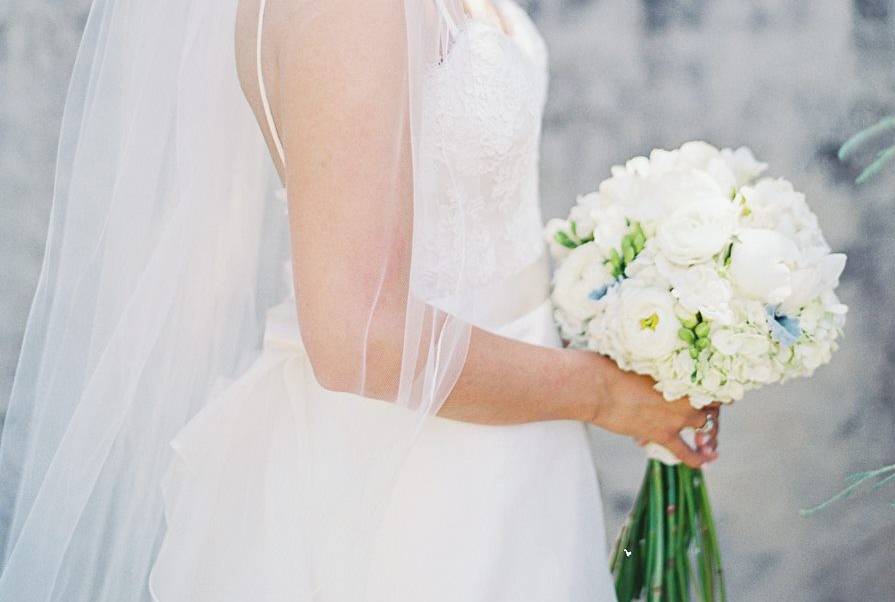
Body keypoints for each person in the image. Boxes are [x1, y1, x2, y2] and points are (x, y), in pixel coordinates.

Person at [0, 1, 718, 600]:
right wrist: (601, 394)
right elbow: (359, 333)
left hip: (508, 429)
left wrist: (636, 320)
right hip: (404, 476)